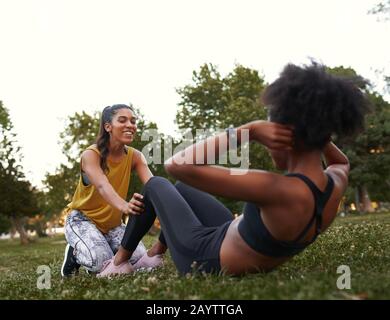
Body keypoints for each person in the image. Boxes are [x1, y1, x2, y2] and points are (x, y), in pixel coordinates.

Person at [97, 62, 370, 277]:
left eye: (269, 136)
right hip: (230, 235)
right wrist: (318, 128)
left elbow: (177, 164)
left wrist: (247, 131)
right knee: (184, 189)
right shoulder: (334, 182)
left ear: (286, 137)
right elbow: (340, 161)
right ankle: (155, 254)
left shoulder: (276, 188)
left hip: (204, 258)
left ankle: (120, 262)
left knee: (157, 185)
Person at [60, 104, 163, 277]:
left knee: (137, 262)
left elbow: (153, 186)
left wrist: (167, 209)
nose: (130, 125)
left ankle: (102, 245)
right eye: (122, 120)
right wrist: (125, 206)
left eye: (133, 121)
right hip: (82, 220)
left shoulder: (136, 156)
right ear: (108, 126)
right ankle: (75, 254)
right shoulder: (91, 155)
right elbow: (102, 185)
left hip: (113, 224)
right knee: (100, 262)